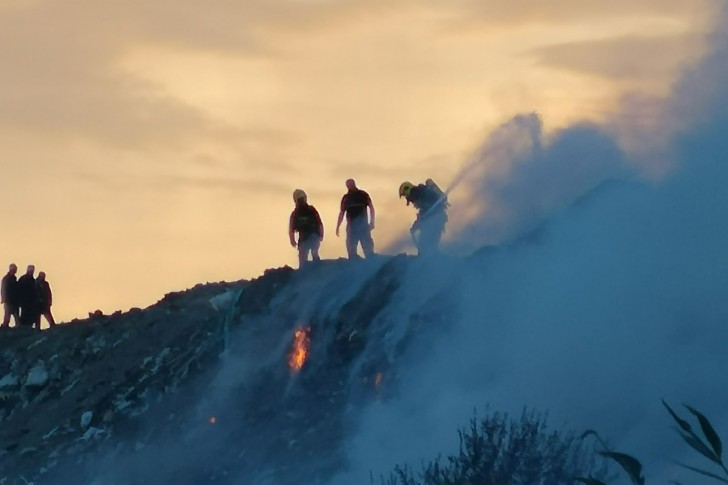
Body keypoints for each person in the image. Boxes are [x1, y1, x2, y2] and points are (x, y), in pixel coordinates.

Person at [399, 180, 448, 255]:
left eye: (405, 195)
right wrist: (417, 224)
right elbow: (423, 212)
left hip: (435, 221)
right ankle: (430, 258)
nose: (406, 198)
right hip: (436, 220)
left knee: (426, 244)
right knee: (428, 244)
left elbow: (425, 211)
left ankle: (429, 259)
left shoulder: (417, 193)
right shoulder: (419, 193)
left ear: (407, 189)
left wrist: (417, 224)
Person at [336, 179, 375, 259]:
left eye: (351, 184)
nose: (351, 186)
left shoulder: (363, 195)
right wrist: (338, 226)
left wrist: (372, 222)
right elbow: (342, 213)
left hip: (363, 226)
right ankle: (353, 264)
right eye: (349, 185)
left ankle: (371, 263)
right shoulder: (346, 198)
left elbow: (371, 208)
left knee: (368, 250)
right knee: (351, 250)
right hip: (351, 227)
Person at [289, 189, 324, 268]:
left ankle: (315, 268)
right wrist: (292, 239)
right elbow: (291, 228)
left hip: (312, 236)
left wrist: (321, 234)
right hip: (306, 237)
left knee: (312, 254)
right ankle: (306, 270)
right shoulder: (297, 213)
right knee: (305, 255)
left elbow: (319, 223)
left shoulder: (310, 210)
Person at [1, 263, 20, 328]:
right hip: (9, 300)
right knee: (8, 315)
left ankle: (16, 326)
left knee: (14, 315)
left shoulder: (13, 278)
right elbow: (4, 289)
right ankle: (5, 326)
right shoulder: (7, 279)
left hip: (13, 300)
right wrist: (4, 299)